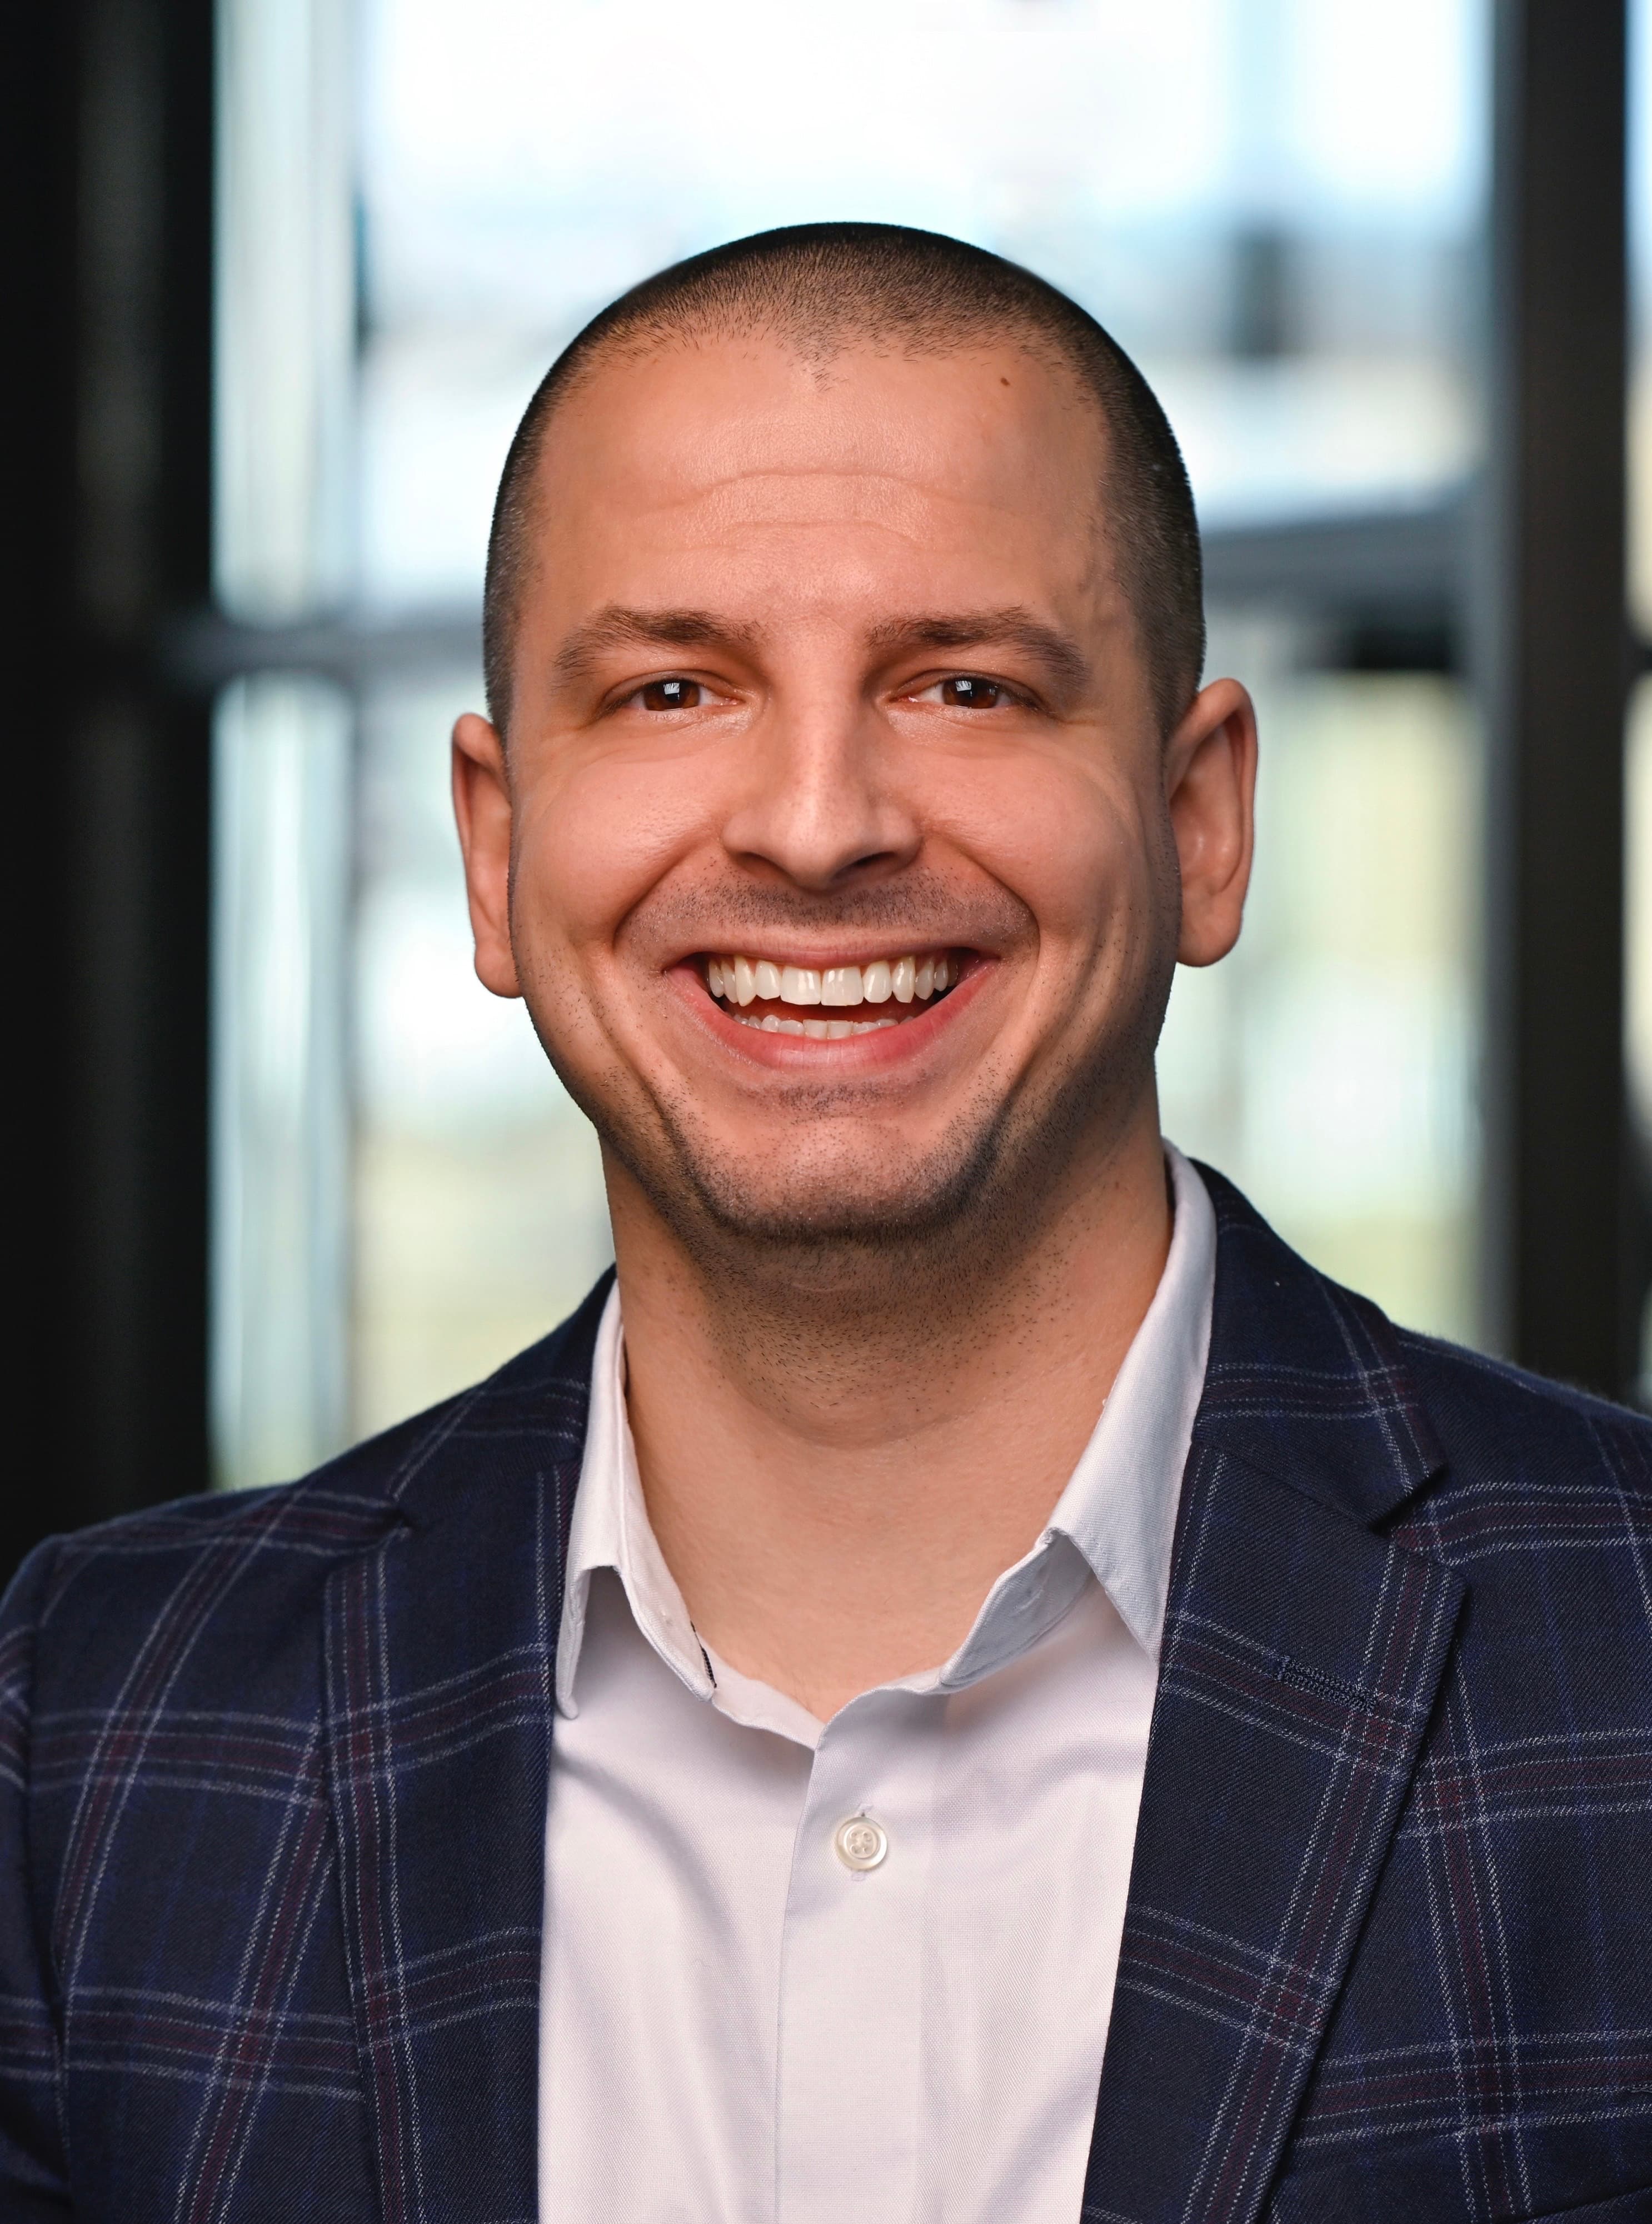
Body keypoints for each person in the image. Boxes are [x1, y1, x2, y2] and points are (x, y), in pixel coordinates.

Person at [2, 223, 1649, 2224]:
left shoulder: (1624, 1645)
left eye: (964, 683)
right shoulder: (95, 1729)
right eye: (674, 686)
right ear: (498, 847)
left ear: (1203, 814)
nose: (813, 819)